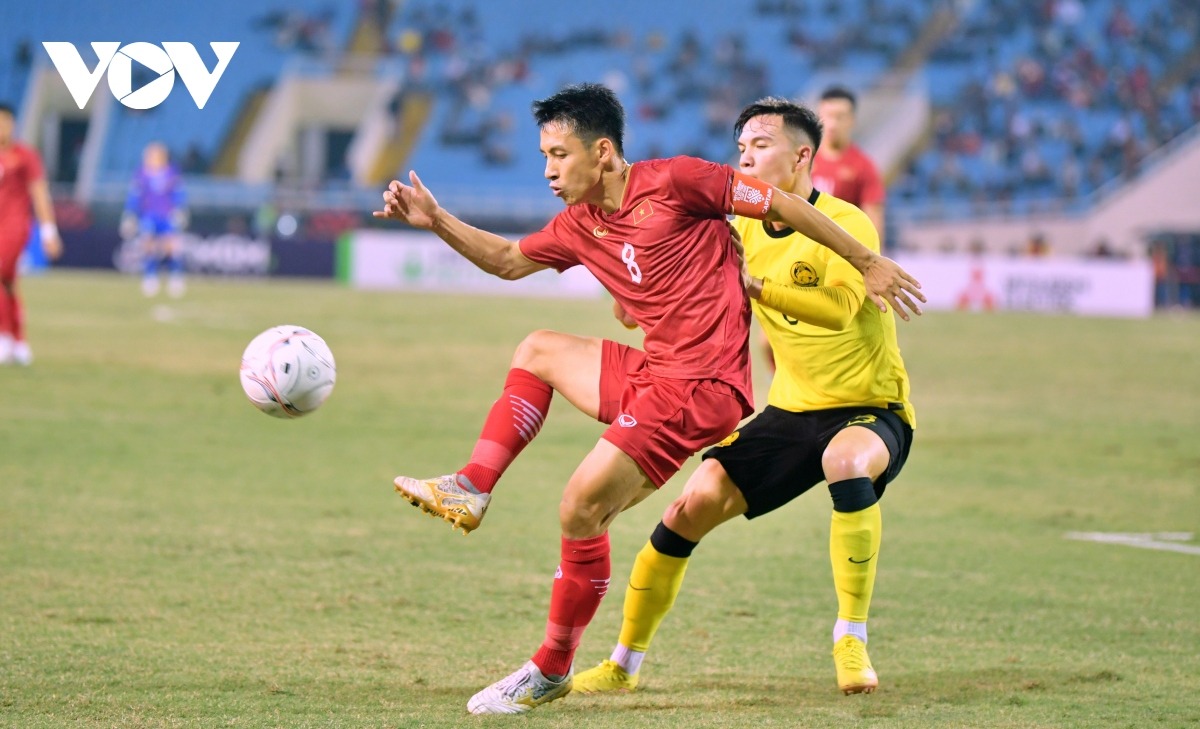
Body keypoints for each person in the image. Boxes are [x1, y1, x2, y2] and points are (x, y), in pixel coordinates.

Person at [373, 83, 923, 715]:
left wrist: (864, 259)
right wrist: (437, 220)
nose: (549, 170)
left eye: (560, 155)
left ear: (603, 152)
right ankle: (474, 487)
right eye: (544, 156)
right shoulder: (580, 224)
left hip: (703, 387)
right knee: (538, 350)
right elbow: (505, 259)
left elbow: (778, 204)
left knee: (580, 506)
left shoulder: (680, 180)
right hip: (662, 375)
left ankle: (552, 668)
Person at [572, 97, 914, 697]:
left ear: (801, 156)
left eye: (760, 145)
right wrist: (639, 297)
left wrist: (755, 285)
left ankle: (850, 637)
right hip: (790, 412)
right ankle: (623, 664)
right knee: (687, 509)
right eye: (741, 148)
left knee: (845, 460)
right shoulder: (738, 227)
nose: (745, 158)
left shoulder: (847, 223)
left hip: (870, 409)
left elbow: (840, 310)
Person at [0, 102, 62, 365]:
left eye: (5, 122)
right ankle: (19, 342)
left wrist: (48, 231)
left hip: (14, 227)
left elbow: (39, 193)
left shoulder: (25, 155)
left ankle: (4, 337)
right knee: (8, 283)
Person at [812, 86, 885, 236]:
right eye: (827, 116)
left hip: (840, 247)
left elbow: (874, 221)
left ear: (852, 120)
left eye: (839, 117)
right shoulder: (802, 160)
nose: (832, 124)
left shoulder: (863, 165)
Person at [121, 142, 188, 298]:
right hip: (149, 215)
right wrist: (130, 214)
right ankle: (150, 276)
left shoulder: (172, 172)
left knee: (171, 246)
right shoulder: (141, 173)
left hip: (167, 215)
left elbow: (178, 193)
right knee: (148, 245)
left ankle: (175, 276)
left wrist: (180, 210)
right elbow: (134, 195)